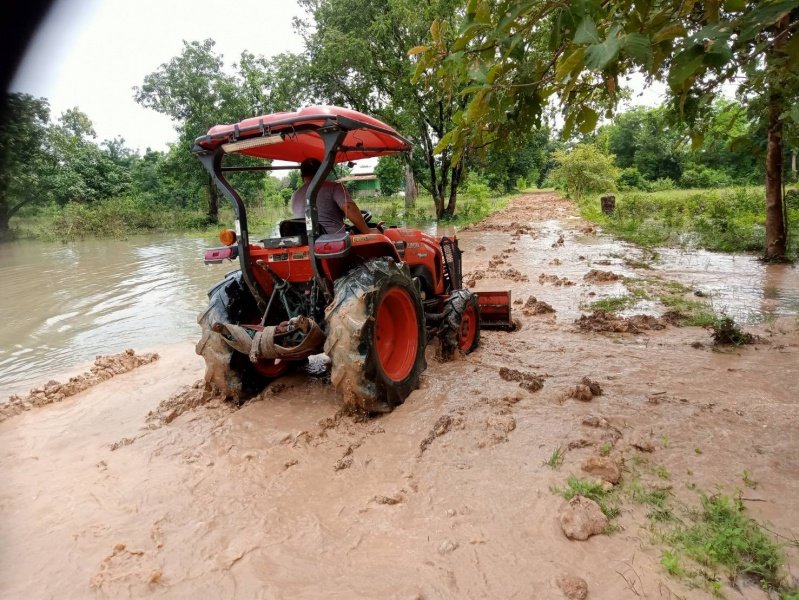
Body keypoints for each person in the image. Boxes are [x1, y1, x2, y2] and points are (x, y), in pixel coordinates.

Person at [291, 158, 372, 234]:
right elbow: (348, 207)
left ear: (302, 176)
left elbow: (325, 212)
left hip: (306, 243)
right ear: (323, 172)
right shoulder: (334, 187)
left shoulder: (294, 195)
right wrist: (367, 231)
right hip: (333, 243)